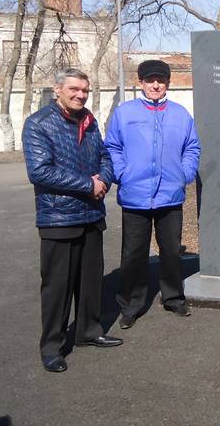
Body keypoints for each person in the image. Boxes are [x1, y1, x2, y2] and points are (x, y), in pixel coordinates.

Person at [23, 68, 123, 373]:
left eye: (85, 90)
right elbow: (39, 171)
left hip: (91, 214)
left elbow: (105, 157)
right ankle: (52, 346)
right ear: (57, 90)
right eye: (74, 89)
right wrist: (88, 184)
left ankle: (89, 332)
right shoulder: (38, 124)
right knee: (57, 287)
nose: (80, 95)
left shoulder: (89, 122)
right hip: (59, 217)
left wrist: (104, 179)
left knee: (90, 281)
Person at [105, 59, 200, 329]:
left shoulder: (181, 115)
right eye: (150, 80)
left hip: (170, 195)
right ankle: (131, 305)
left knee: (170, 251)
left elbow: (192, 147)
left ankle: (173, 298)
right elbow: (112, 147)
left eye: (160, 80)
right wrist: (122, 174)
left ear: (168, 83)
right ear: (141, 82)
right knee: (133, 253)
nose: (155, 84)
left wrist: (184, 173)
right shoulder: (125, 113)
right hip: (136, 195)